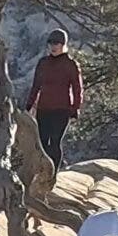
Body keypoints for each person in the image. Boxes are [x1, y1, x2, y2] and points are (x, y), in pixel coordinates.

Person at [23, 29, 85, 170]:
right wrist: (29, 105)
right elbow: (36, 86)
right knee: (43, 142)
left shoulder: (70, 64)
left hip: (62, 110)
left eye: (56, 43)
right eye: (50, 43)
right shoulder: (43, 63)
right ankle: (43, 172)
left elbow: (77, 88)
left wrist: (75, 108)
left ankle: (53, 174)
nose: (53, 46)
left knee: (55, 142)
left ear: (63, 44)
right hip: (43, 109)